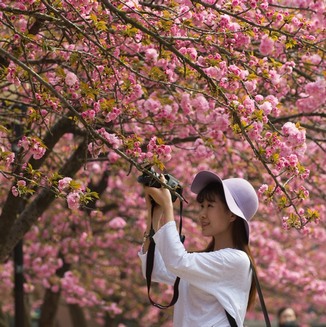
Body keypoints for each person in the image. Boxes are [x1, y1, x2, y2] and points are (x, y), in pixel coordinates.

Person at [138, 170, 260, 327]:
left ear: (232, 215)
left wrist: (168, 206)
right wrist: (155, 214)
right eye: (201, 206)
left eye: (210, 205)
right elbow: (154, 270)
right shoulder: (206, 262)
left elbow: (177, 261)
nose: (202, 214)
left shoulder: (237, 260)